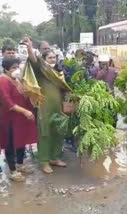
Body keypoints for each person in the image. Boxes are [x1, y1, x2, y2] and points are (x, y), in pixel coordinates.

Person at [24, 36, 71, 174]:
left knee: (58, 131)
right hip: (44, 107)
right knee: (45, 133)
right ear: (44, 60)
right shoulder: (41, 71)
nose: (53, 60)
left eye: (54, 58)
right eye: (50, 58)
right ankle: (44, 161)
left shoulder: (58, 73)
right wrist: (29, 48)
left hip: (58, 106)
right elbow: (33, 60)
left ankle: (55, 158)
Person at [0, 57, 37, 181]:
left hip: (20, 118)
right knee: (9, 144)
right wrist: (25, 111)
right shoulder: (3, 81)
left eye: (18, 67)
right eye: (13, 68)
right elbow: (7, 102)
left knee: (21, 140)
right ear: (6, 69)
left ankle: (20, 164)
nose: (17, 70)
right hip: (9, 118)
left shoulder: (17, 80)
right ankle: (13, 171)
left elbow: (24, 96)